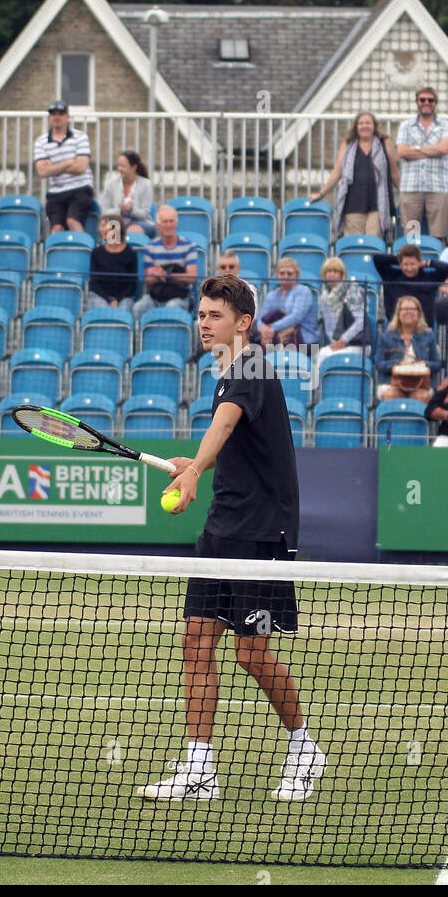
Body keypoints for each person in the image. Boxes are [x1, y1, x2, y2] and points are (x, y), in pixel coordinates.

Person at [142, 274, 324, 803]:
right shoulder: (228, 374)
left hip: (264, 533)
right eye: (200, 314)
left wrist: (196, 467)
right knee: (196, 643)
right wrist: (194, 463)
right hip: (223, 527)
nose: (203, 322)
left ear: (243, 323)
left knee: (251, 652)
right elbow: (228, 437)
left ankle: (303, 749)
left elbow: (222, 426)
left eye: (214, 315)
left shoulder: (250, 367)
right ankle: (200, 770)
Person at [311, 112, 399, 240]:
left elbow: (394, 172)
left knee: (373, 242)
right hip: (353, 204)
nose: (364, 126)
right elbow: (337, 172)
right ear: (356, 127)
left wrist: (406, 193)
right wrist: (321, 193)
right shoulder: (348, 145)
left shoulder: (384, 143)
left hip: (378, 205)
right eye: (361, 123)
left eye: (368, 123)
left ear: (374, 126)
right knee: (353, 244)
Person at [395, 87, 448, 242]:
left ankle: (436, 265)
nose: (426, 103)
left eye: (430, 100)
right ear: (417, 102)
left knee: (438, 237)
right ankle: (412, 265)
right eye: (422, 100)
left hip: (438, 189)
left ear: (435, 103)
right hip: (411, 189)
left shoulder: (446, 125)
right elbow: (401, 152)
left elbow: (444, 148)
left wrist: (414, 149)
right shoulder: (405, 126)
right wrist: (432, 150)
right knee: (412, 237)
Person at [34, 100, 93, 233]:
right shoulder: (41, 141)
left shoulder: (80, 137)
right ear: (49, 117)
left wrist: (53, 167)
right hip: (56, 191)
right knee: (56, 228)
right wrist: (68, 162)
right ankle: (57, 253)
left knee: (72, 221)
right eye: (53, 114)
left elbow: (81, 167)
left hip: (80, 188)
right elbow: (42, 171)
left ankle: (81, 251)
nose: (57, 117)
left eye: (60, 114)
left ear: (67, 117)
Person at [133, 205, 198, 319]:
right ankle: (140, 337)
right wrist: (158, 276)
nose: (168, 225)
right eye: (165, 222)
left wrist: (166, 275)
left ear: (176, 223)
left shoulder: (189, 246)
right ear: (158, 225)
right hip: (156, 296)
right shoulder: (150, 247)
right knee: (139, 307)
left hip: (180, 296)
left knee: (172, 307)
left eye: (171, 221)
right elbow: (148, 280)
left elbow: (192, 277)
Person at [375, 295, 440, 403]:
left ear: (419, 313)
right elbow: (379, 364)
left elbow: (437, 364)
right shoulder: (386, 337)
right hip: (391, 383)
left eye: (413, 309)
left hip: (421, 384)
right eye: (404, 309)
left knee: (420, 397)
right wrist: (398, 363)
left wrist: (423, 363)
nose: (408, 312)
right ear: (398, 313)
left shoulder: (429, 336)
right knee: (392, 395)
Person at [371, 242, 448, 326]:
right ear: (400, 263)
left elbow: (447, 268)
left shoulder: (430, 278)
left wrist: (427, 263)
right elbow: (377, 259)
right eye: (406, 264)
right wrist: (399, 259)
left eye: (412, 264)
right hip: (396, 329)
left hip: (423, 330)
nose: (409, 269)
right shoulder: (391, 275)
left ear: (420, 262)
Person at [314, 257, 369, 367]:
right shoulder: (324, 297)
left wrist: (344, 340)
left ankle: (318, 384)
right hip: (338, 344)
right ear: (324, 274)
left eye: (336, 271)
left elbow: (360, 321)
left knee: (325, 355)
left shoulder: (352, 290)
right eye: (329, 271)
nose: (332, 274)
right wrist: (336, 343)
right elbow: (330, 328)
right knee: (320, 355)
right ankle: (317, 384)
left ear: (342, 274)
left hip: (358, 343)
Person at [258, 257, 318, 346]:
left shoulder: (304, 291)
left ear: (296, 275)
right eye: (282, 273)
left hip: (303, 340)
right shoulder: (271, 295)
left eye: (289, 273)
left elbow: (297, 316)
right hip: (273, 338)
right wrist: (262, 328)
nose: (285, 276)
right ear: (277, 275)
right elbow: (261, 316)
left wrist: (273, 328)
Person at [99, 150, 156, 238]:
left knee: (133, 230)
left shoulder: (146, 184)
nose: (119, 169)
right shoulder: (110, 185)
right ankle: (115, 252)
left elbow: (144, 215)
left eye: (123, 166)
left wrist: (132, 209)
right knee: (112, 229)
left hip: (142, 223)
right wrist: (119, 210)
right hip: (117, 222)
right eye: (118, 165)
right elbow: (104, 213)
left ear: (133, 167)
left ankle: (133, 251)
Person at [86, 216, 138, 312]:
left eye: (103, 225)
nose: (99, 229)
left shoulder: (131, 253)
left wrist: (117, 300)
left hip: (124, 298)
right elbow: (94, 282)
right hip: (101, 296)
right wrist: (109, 300)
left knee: (123, 310)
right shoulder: (96, 253)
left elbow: (132, 284)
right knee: (102, 309)